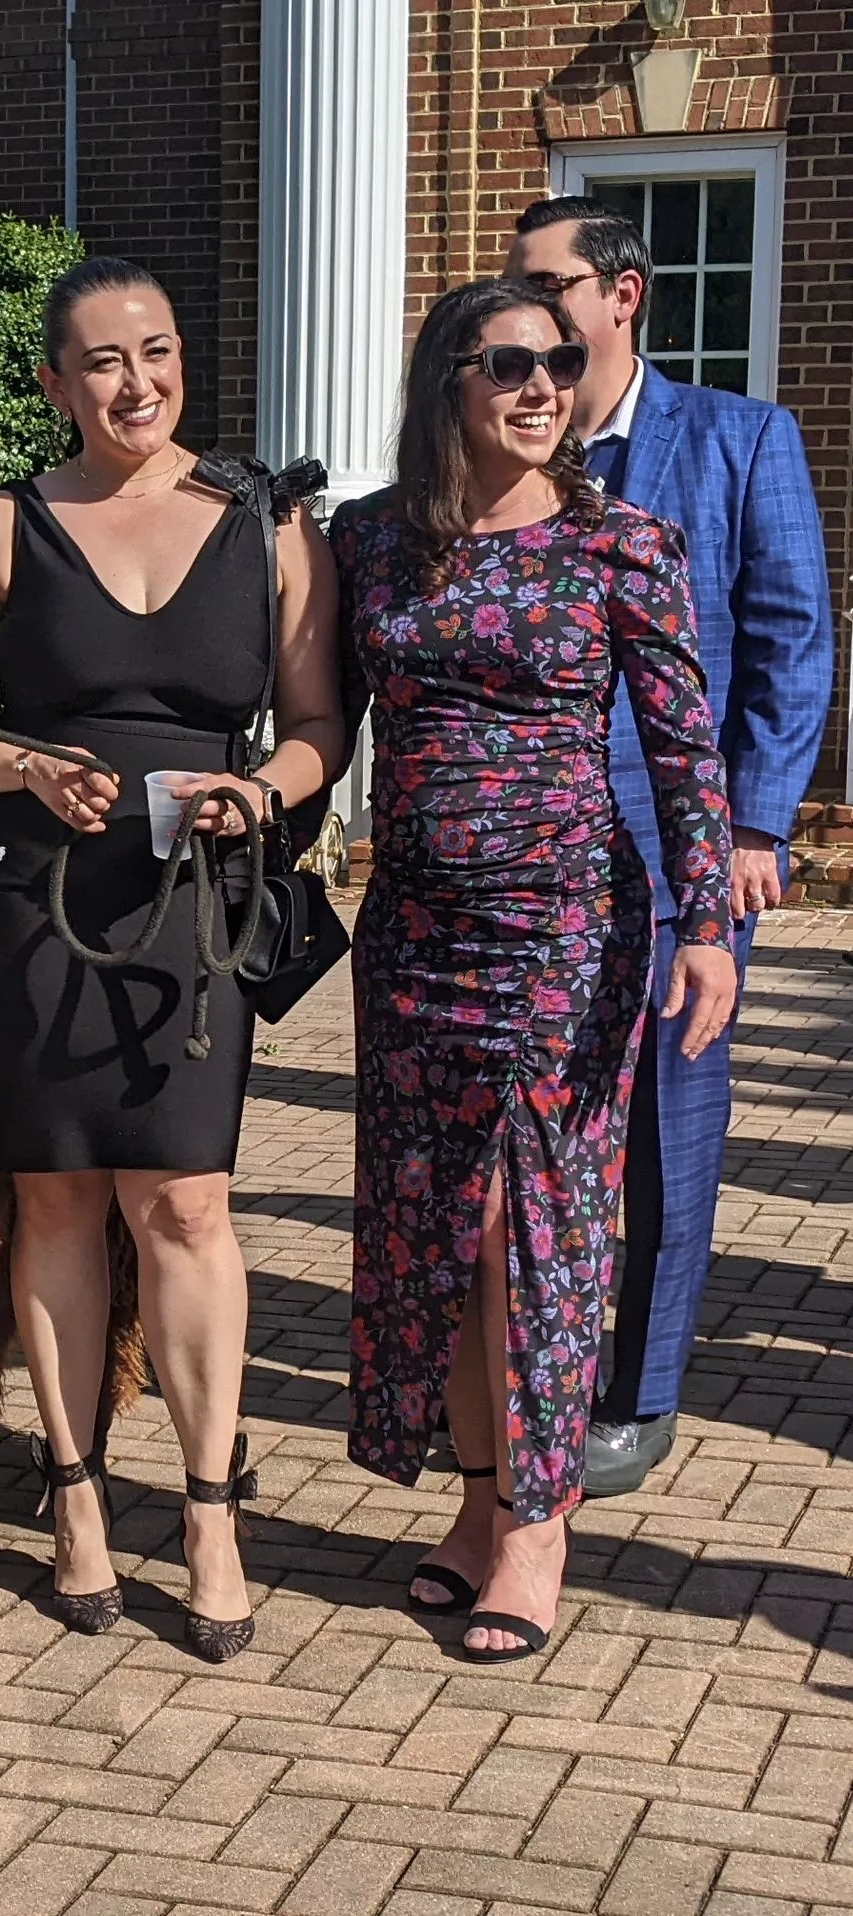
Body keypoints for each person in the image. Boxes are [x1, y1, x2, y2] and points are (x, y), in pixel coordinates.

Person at [0, 257, 342, 1659]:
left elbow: (314, 727)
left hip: (193, 905)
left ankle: (209, 1509)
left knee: (187, 1206)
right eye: (101, 360)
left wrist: (266, 797)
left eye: (156, 351)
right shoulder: (3, 527)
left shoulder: (269, 527)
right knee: (55, 1208)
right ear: (54, 383)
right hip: (40, 900)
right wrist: (22, 762)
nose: (135, 382)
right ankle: (75, 1499)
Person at [334, 277, 736, 1663]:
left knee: (528, 1223)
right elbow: (318, 708)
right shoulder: (371, 542)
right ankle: (476, 1499)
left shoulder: (620, 543)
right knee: (436, 1215)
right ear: (447, 377)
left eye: (561, 361)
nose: (542, 384)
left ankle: (541, 1520)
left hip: (565, 930)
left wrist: (706, 927)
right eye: (509, 361)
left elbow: (685, 749)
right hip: (414, 934)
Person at [507, 198, 834, 1496]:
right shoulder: (512, 452)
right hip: (533, 861)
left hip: (685, 858)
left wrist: (756, 825)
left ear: (622, 295)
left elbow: (790, 643)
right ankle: (528, 1370)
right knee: (534, 1130)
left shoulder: (742, 442)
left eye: (549, 285)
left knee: (662, 1125)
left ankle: (634, 1392)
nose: (528, 311)